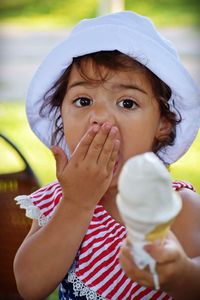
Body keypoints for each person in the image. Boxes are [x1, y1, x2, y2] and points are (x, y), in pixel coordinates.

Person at [14, 11, 200, 300]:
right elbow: (30, 286)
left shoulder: (178, 208)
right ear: (60, 115)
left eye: (127, 103)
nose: (99, 117)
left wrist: (182, 274)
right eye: (83, 100)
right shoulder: (59, 200)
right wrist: (77, 203)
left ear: (163, 124)